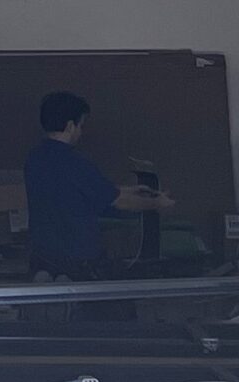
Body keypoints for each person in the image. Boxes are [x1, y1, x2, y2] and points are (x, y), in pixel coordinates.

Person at [22, 89, 171, 278]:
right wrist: (157, 204)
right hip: (78, 259)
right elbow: (118, 202)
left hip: (43, 256)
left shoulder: (35, 159)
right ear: (70, 126)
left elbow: (77, 191)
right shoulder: (74, 162)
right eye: (81, 125)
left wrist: (128, 190)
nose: (81, 132)